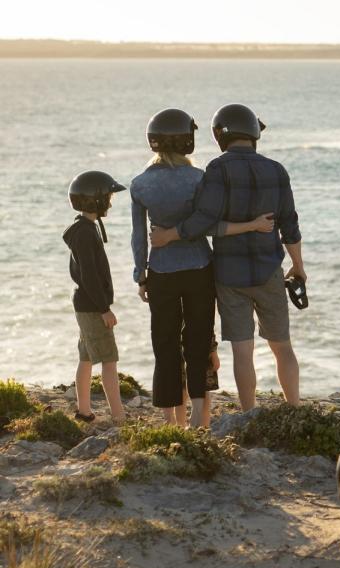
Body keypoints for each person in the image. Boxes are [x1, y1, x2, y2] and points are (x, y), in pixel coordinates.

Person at [150, 103, 305, 412]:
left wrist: (170, 235)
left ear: (221, 135)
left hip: (229, 276)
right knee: (282, 347)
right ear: (252, 133)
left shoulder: (217, 170)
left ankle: (248, 414)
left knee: (242, 351)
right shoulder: (276, 169)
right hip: (270, 270)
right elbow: (290, 224)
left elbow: (203, 220)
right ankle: (294, 411)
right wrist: (298, 267)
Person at [130, 108, 274, 427]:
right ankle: (198, 414)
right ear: (187, 140)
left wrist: (140, 274)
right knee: (198, 342)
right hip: (199, 268)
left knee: (164, 344)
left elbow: (139, 235)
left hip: (161, 273)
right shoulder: (198, 178)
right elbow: (207, 224)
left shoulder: (140, 184)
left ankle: (171, 419)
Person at [63, 169, 127, 423]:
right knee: (109, 361)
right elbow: (89, 275)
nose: (111, 201)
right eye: (109, 196)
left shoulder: (84, 228)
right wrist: (104, 308)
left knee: (86, 357)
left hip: (84, 304)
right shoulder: (86, 233)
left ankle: (84, 410)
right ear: (97, 200)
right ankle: (119, 416)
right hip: (92, 306)